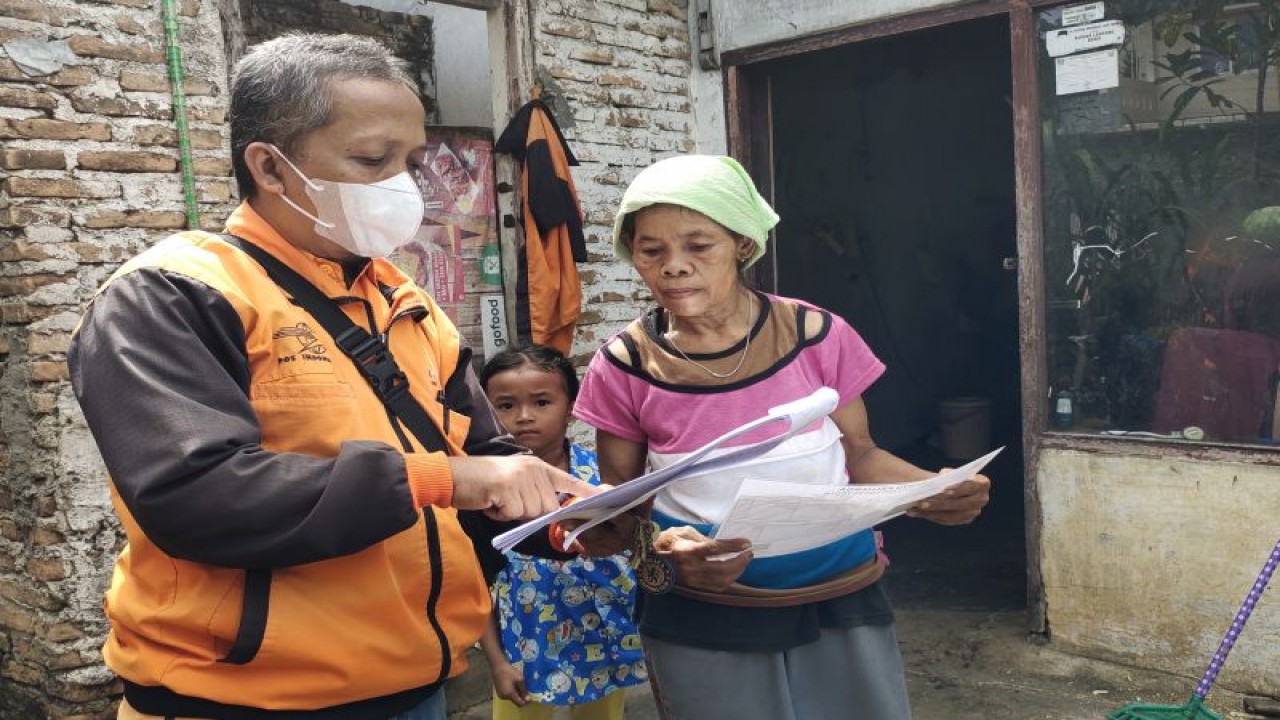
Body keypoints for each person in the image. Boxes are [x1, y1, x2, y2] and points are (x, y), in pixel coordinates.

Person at [67, 34, 597, 720]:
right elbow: (194, 496)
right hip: (240, 700)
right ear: (272, 167)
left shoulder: (407, 303)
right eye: (373, 160)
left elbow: (486, 464)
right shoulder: (176, 294)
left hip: (417, 688)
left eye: (411, 162)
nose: (405, 186)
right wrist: (441, 479)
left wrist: (584, 520)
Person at [571, 155, 992, 720]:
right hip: (705, 607)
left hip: (842, 593)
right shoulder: (624, 364)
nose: (674, 266)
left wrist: (933, 489)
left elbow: (860, 455)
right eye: (651, 250)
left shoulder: (814, 334)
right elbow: (618, 512)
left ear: (743, 244)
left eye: (699, 246)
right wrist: (668, 550)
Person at [477, 346, 646, 720]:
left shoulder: (601, 482)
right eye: (505, 406)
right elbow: (471, 583)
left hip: (603, 646)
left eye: (541, 402)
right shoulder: (483, 493)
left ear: (570, 407)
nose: (524, 417)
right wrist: (496, 663)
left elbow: (634, 552)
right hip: (523, 652)